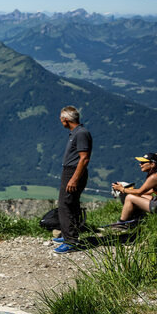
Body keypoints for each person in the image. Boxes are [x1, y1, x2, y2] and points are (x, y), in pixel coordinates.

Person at [54, 106, 91, 254]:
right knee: (71, 203)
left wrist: (74, 179)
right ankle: (68, 234)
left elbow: (84, 158)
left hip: (73, 172)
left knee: (65, 204)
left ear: (66, 120)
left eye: (61, 118)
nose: (60, 121)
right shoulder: (75, 133)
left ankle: (70, 241)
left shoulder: (81, 134)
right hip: (70, 171)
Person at [109, 152, 157, 229]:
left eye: (143, 162)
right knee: (136, 196)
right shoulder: (154, 173)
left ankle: (121, 224)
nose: (140, 164)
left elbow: (140, 191)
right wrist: (132, 191)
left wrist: (123, 189)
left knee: (130, 198)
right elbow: (150, 191)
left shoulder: (154, 177)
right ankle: (136, 219)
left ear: (152, 164)